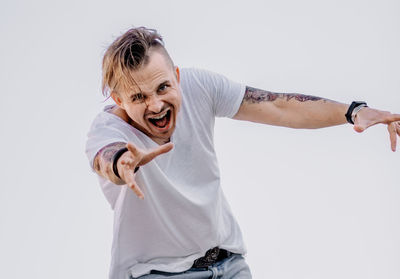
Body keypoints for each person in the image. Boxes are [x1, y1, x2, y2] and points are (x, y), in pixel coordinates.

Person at [85, 27, 400, 279]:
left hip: (228, 263)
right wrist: (121, 163)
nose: (155, 105)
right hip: (156, 273)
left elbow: (277, 105)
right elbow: (106, 156)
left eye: (163, 87)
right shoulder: (108, 131)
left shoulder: (199, 88)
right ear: (119, 99)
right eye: (139, 97)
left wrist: (353, 111)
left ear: (177, 77)